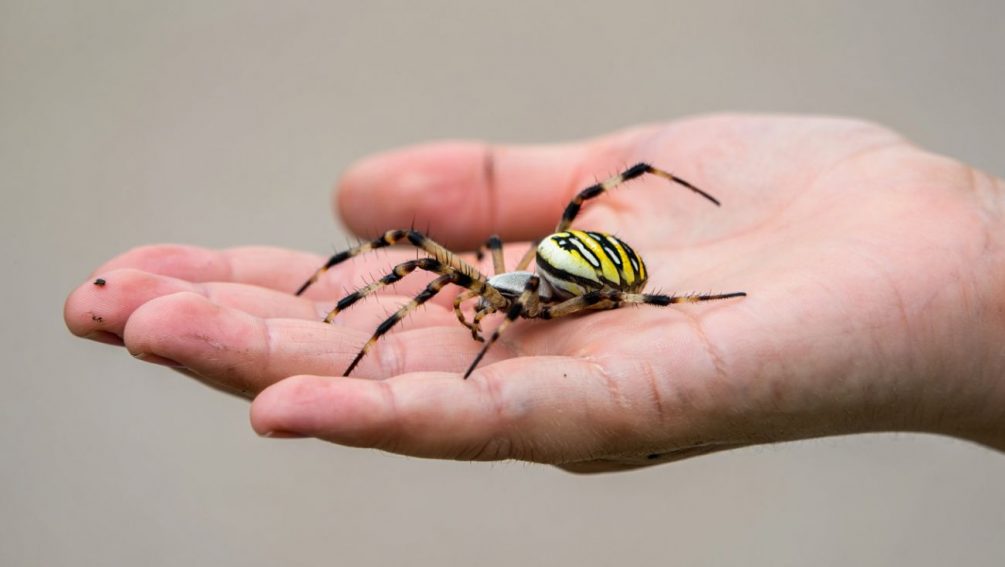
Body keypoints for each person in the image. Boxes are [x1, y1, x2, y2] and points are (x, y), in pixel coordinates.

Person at [64, 114, 1005, 473]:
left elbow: (442, 285)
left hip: (590, 274)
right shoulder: (489, 277)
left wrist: (475, 341)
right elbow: (409, 262)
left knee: (415, 264)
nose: (480, 306)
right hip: (568, 265)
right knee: (405, 252)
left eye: (487, 307)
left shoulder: (523, 295)